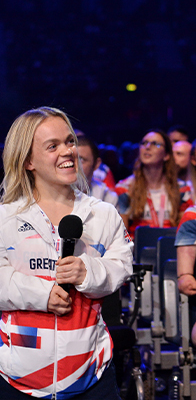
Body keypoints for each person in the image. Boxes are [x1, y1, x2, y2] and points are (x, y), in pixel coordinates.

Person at [0, 107, 133, 399]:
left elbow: (122, 266)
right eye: (53, 146)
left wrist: (88, 272)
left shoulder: (103, 214)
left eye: (69, 141)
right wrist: (42, 294)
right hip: (18, 378)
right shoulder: (6, 218)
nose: (68, 151)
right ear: (28, 161)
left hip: (91, 375)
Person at [115, 129, 192, 238]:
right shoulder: (124, 188)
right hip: (137, 251)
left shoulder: (182, 189)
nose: (147, 147)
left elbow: (185, 232)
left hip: (170, 249)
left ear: (166, 155)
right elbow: (121, 235)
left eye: (155, 144)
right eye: (144, 143)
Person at [77, 135, 119, 207]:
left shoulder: (107, 198)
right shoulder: (54, 193)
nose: (75, 164)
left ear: (96, 164)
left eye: (81, 160)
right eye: (71, 159)